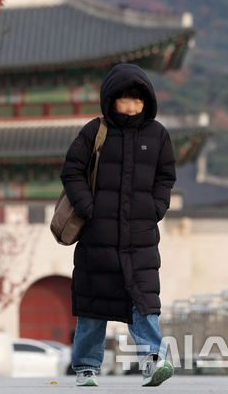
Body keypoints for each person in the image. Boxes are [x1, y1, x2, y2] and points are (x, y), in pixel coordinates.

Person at [60, 63, 176, 387]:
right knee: (92, 307)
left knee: (145, 303)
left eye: (138, 99)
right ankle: (85, 368)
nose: (131, 105)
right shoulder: (95, 131)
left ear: (147, 101)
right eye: (125, 99)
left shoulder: (158, 136)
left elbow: (166, 177)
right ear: (111, 100)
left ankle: (153, 362)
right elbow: (71, 171)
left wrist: (157, 206)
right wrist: (88, 208)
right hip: (98, 237)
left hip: (140, 238)